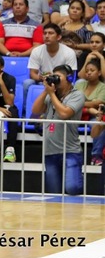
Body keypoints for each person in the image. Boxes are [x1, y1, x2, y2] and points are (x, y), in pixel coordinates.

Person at [31, 65, 84, 195]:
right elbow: (35, 111)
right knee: (54, 193)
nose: (55, 80)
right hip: (50, 151)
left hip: (70, 150)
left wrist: (51, 94)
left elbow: (64, 114)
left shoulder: (77, 95)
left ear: (69, 78)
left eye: (58, 77)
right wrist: (46, 91)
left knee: (72, 188)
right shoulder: (51, 94)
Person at [24, 23, 77, 106]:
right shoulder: (36, 51)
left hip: (62, 82)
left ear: (58, 37)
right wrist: (40, 77)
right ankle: (25, 112)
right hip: (43, 81)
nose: (47, 36)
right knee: (27, 83)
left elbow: (71, 75)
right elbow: (32, 73)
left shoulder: (69, 52)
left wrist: (58, 79)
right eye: (45, 33)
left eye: (50, 33)